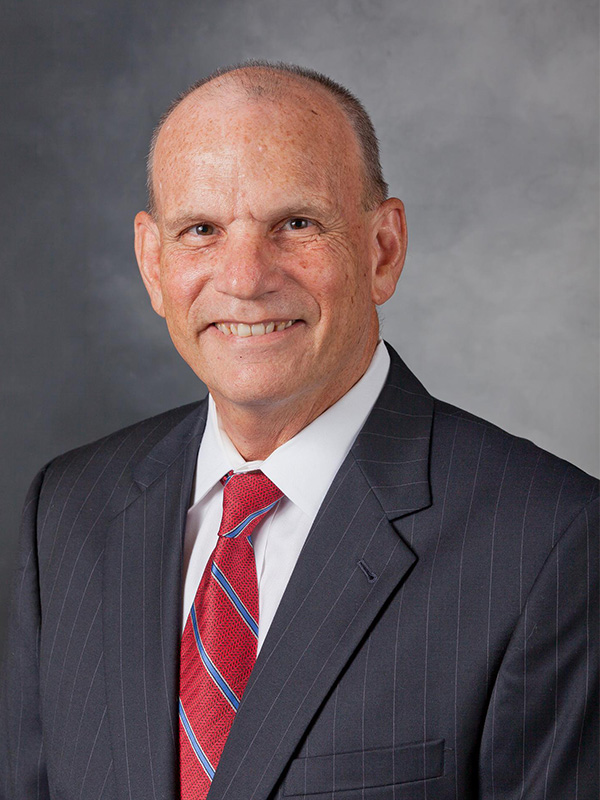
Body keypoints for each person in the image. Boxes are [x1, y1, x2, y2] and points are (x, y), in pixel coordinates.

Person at [1, 61, 597, 800]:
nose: (245, 277)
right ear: (153, 264)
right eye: (201, 230)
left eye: (297, 224)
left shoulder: (551, 541)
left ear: (384, 249)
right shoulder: (67, 511)